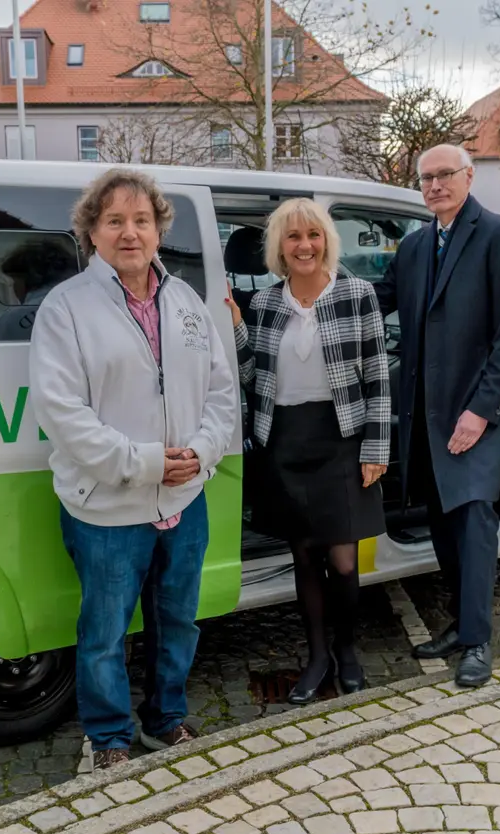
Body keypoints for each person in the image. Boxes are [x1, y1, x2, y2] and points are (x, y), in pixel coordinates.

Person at [29, 169, 238, 770]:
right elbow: (62, 413)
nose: (130, 232)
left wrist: (203, 451)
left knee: (178, 622)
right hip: (109, 505)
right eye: (114, 221)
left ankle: (166, 720)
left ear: (158, 230)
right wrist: (143, 463)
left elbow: (221, 391)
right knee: (104, 632)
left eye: (141, 220)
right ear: (91, 232)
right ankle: (110, 738)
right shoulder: (66, 308)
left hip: (184, 497)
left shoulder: (186, 301)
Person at [372, 144, 500, 688]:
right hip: (426, 416)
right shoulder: (415, 245)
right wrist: (304, 293)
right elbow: (376, 300)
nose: (435, 185)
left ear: (468, 177)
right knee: (443, 524)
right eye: (426, 178)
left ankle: (478, 641)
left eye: (445, 175)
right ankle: (462, 625)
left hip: (476, 415)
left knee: (472, 523)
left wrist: (480, 412)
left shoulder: (499, 234)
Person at [225, 199, 390, 705]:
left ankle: (347, 650)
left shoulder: (357, 294)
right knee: (304, 556)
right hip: (285, 439)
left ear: (326, 241)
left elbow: (378, 377)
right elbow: (253, 377)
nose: (304, 246)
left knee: (343, 561)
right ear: (280, 246)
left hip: (341, 437)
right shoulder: (266, 303)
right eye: (293, 236)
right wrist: (237, 327)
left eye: (313, 235)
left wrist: (376, 447)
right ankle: (317, 657)